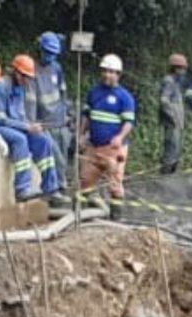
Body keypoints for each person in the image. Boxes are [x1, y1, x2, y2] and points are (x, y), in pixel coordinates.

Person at [0, 56, 64, 203]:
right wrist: (27, 127)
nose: (26, 80)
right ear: (16, 72)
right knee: (20, 140)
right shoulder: (0, 87)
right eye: (24, 76)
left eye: (28, 77)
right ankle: (22, 189)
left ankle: (50, 187)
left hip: (15, 125)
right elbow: (0, 118)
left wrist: (32, 126)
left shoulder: (20, 88)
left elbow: (20, 115)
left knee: (43, 140)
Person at [80, 54, 137, 220]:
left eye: (111, 72)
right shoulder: (94, 92)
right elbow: (87, 116)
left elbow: (129, 122)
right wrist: (82, 134)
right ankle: (83, 215)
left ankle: (115, 216)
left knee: (115, 182)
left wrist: (120, 137)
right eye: (105, 71)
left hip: (113, 148)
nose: (107, 75)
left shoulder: (125, 97)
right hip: (94, 146)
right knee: (86, 180)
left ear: (118, 74)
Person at [30, 31, 74, 188]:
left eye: (53, 54)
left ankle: (60, 189)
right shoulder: (31, 69)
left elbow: (63, 93)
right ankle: (56, 190)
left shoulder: (57, 68)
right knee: (56, 160)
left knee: (63, 158)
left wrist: (68, 114)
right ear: (40, 49)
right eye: (47, 53)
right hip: (43, 124)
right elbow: (30, 101)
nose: (50, 57)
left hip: (60, 122)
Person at [159, 53, 188, 174]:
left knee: (176, 151)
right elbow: (164, 101)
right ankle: (165, 177)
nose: (184, 72)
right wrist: (173, 118)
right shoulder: (169, 81)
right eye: (182, 69)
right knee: (171, 150)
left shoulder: (176, 84)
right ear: (175, 68)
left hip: (177, 123)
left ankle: (172, 175)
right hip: (172, 124)